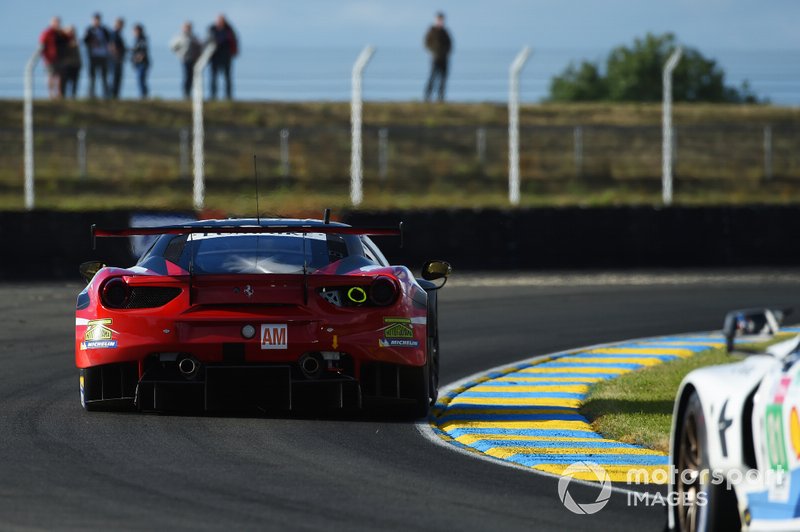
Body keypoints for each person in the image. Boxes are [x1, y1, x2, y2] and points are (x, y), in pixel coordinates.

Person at [207, 14, 238, 100]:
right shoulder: (212, 29)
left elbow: (234, 41)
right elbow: (208, 41)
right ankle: (213, 96)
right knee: (213, 77)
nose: (220, 22)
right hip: (214, 56)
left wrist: (234, 52)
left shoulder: (229, 30)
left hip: (226, 56)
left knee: (227, 77)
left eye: (222, 20)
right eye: (219, 20)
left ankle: (228, 96)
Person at [423, 12, 452, 102]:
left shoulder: (445, 32)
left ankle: (441, 97)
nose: (440, 21)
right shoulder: (431, 31)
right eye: (439, 19)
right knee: (432, 77)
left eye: (442, 20)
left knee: (443, 78)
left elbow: (450, 45)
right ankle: (427, 96)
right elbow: (427, 43)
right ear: (435, 20)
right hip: (435, 58)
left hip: (444, 59)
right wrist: (433, 52)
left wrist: (446, 53)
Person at [170, 21, 202, 99]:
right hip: (185, 59)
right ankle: (186, 94)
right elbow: (173, 47)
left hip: (194, 59)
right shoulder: (180, 37)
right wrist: (180, 54)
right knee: (187, 76)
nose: (188, 29)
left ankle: (193, 94)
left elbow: (199, 46)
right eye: (186, 27)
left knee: (193, 77)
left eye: (189, 27)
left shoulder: (194, 37)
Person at [83, 13, 111, 99]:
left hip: (103, 56)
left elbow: (110, 40)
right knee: (92, 76)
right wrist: (92, 41)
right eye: (95, 19)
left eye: (98, 19)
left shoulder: (104, 30)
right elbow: (85, 41)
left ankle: (106, 95)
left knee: (104, 76)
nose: (96, 21)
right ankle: (91, 94)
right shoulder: (89, 30)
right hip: (93, 57)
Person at [39, 16, 64, 99]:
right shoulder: (47, 33)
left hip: (59, 58)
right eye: (55, 22)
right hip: (49, 59)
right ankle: (51, 94)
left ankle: (58, 94)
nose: (57, 24)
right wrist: (45, 56)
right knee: (50, 76)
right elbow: (41, 44)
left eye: (58, 22)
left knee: (58, 77)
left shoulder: (60, 33)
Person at [59, 25, 82, 98]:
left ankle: (73, 95)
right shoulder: (62, 41)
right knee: (64, 81)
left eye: (73, 31)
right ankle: (62, 96)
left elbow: (78, 54)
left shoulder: (76, 41)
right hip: (66, 64)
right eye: (70, 31)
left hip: (75, 64)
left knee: (75, 81)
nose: (71, 33)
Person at [130, 24, 150, 99]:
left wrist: (136, 58)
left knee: (141, 80)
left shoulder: (142, 39)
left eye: (136, 30)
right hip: (138, 64)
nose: (134, 32)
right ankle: (143, 95)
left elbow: (142, 52)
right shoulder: (137, 39)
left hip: (142, 64)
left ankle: (143, 96)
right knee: (140, 80)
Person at [109, 18, 127, 99]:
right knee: (115, 78)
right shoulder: (114, 33)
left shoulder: (119, 34)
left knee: (118, 78)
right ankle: (113, 95)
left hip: (118, 59)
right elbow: (112, 46)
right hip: (115, 59)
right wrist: (116, 56)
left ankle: (116, 95)